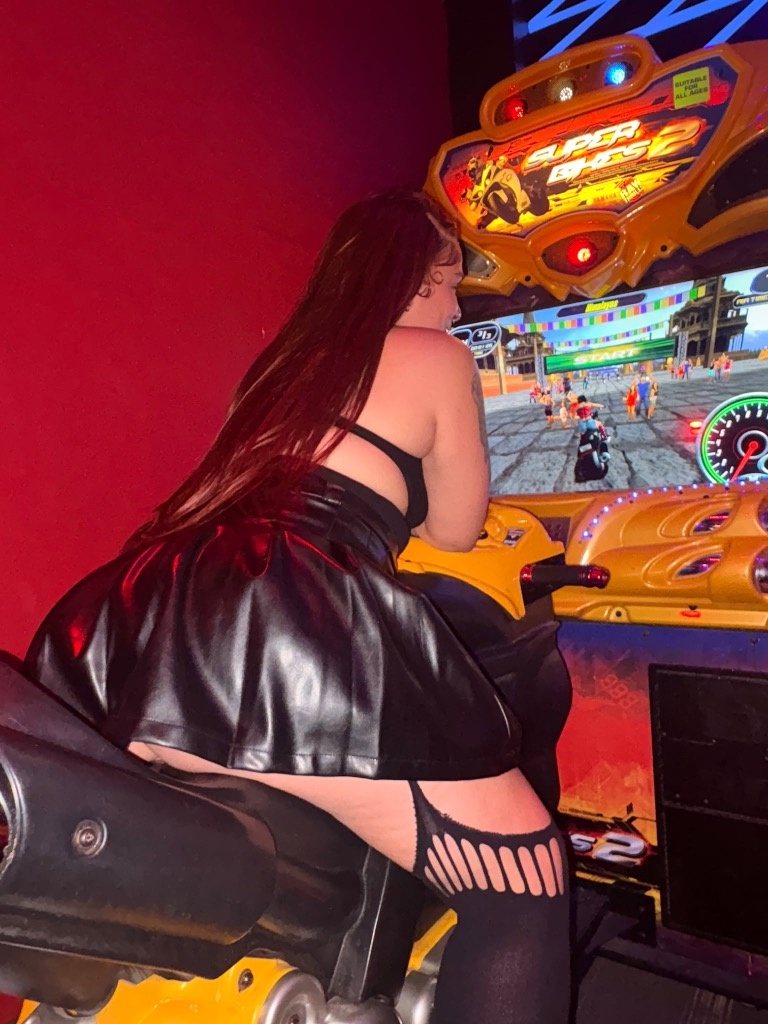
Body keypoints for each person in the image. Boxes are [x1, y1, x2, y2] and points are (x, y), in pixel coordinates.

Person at [24, 190, 569, 1024]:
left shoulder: (283, 368)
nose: (458, 306)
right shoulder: (436, 354)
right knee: (524, 882)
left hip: (140, 611)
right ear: (414, 276)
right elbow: (456, 529)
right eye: (452, 281)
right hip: (284, 611)